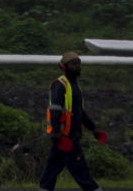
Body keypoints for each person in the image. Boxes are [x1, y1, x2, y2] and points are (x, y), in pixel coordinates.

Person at [40, 51, 108, 191]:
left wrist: (93, 129)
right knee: (80, 170)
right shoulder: (60, 85)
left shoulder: (75, 87)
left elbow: (79, 112)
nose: (77, 67)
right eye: (73, 64)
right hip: (66, 136)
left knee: (51, 170)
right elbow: (55, 109)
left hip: (69, 136)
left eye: (79, 64)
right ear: (63, 66)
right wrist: (56, 131)